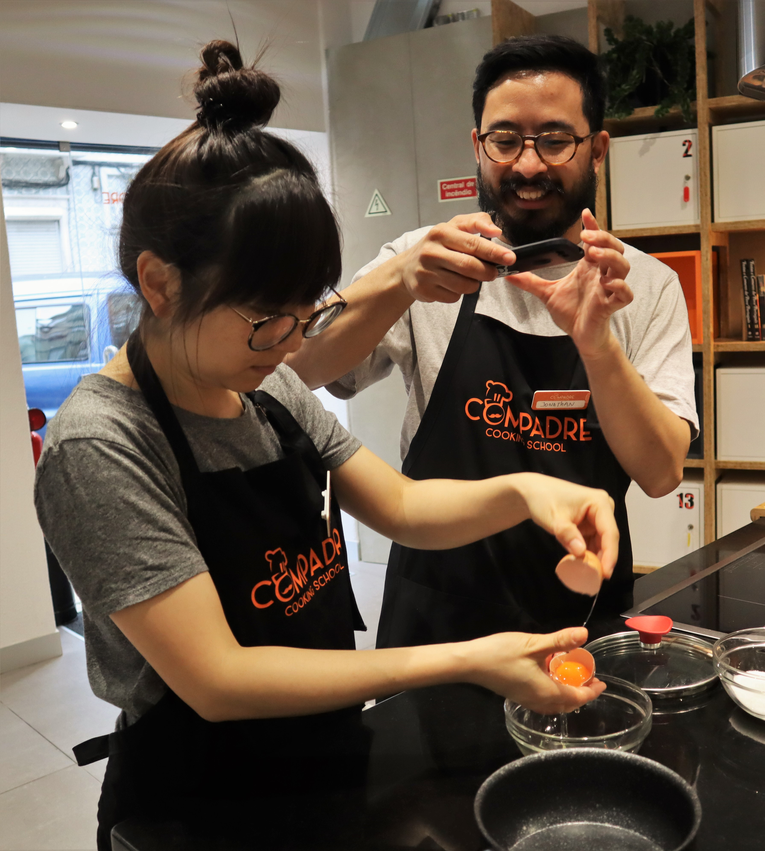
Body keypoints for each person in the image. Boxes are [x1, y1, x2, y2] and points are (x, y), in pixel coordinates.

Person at [32, 41, 618, 851]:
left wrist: (530, 489)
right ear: (159, 283)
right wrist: (463, 658)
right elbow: (220, 679)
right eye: (265, 318)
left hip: (326, 755)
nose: (290, 342)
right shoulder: (100, 443)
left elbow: (403, 505)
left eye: (303, 314)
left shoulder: (262, 383)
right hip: (194, 798)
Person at [288, 35, 698, 648]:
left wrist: (597, 344)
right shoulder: (417, 260)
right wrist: (398, 284)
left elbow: (662, 471)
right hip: (435, 616)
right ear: (477, 146)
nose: (528, 166)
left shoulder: (645, 284)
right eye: (505, 140)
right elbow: (298, 370)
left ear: (598, 149)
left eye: (555, 140)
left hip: (580, 616)